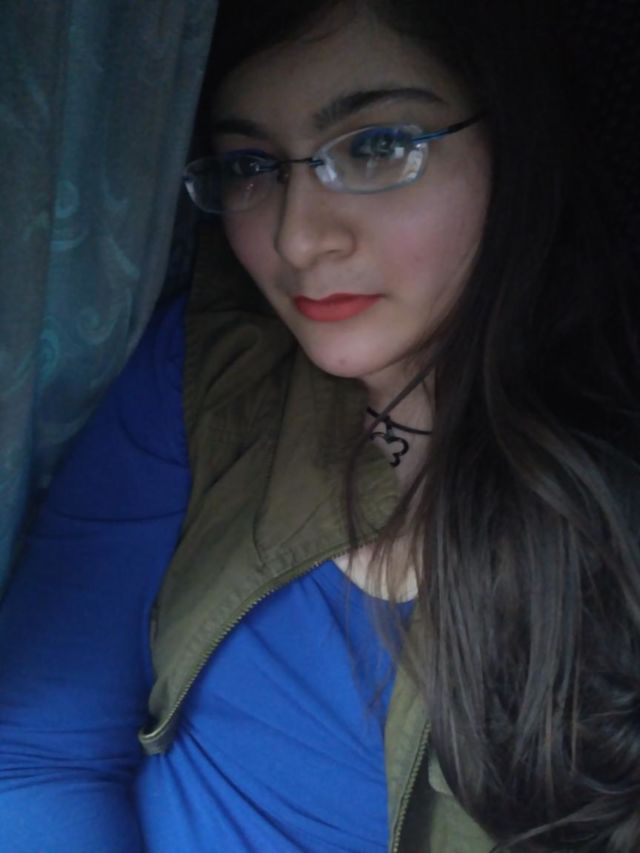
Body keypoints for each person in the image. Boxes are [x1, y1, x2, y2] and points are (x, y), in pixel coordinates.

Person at [1, 0, 639, 850]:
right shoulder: (212, 361)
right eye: (252, 165)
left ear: (517, 145)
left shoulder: (610, 507)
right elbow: (39, 745)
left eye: (378, 146)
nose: (298, 238)